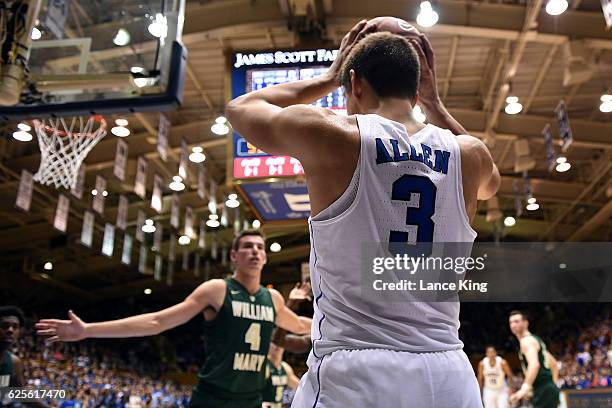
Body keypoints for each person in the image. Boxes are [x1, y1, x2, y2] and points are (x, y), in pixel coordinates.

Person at [226, 17, 499, 408]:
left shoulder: (335, 134)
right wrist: (436, 106)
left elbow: (241, 108)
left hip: (357, 370)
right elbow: (493, 185)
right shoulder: (470, 154)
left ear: (354, 84)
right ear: (418, 89)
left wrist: (327, 77)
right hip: (448, 373)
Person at [36, 230, 312, 408]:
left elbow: (301, 326)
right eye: (248, 247)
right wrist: (88, 331)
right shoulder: (217, 290)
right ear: (234, 256)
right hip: (213, 398)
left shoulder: (273, 300)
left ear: (265, 257)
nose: (255, 251)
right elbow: (158, 321)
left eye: (260, 248)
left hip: (251, 399)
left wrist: (351, 322)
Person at [508, 310, 560, 408]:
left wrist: (525, 387)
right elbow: (554, 364)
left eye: (516, 321)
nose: (513, 325)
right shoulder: (535, 339)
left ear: (526, 323)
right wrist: (553, 385)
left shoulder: (527, 341)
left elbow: (534, 365)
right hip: (547, 389)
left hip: (543, 389)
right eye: (511, 322)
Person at [262, 337, 300, 408]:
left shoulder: (285, 367)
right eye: (274, 343)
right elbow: (251, 390)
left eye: (280, 343)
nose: (278, 345)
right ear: (268, 345)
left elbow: (301, 387)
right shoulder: (265, 366)